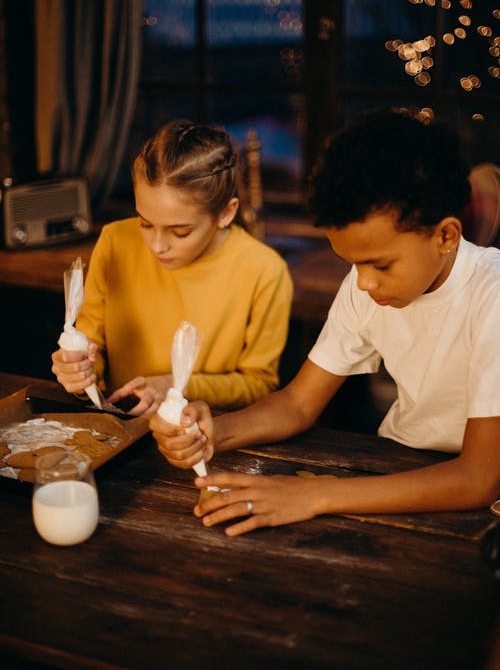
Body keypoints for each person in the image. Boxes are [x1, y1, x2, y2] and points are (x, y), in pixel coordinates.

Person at [149, 108, 500, 536]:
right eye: (352, 263)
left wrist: (315, 496)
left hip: (470, 507)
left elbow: (478, 479)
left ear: (446, 235)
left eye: (380, 265)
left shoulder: (491, 294)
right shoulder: (365, 283)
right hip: (400, 467)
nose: (365, 282)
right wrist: (213, 433)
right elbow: (298, 403)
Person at [51, 119, 293, 415]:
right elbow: (92, 343)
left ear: (226, 213)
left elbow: (258, 384)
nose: (156, 246)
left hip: (204, 434)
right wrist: (79, 368)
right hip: (120, 421)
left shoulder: (265, 271)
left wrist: (177, 385)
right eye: (145, 223)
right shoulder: (116, 241)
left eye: (180, 232)